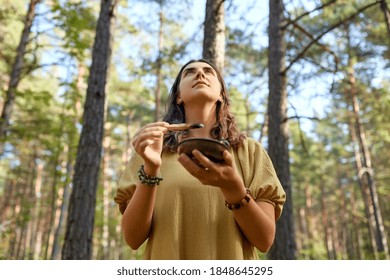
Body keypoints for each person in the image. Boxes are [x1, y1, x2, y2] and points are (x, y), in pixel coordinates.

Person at [114, 59, 286, 260]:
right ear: (178, 96)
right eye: (189, 72)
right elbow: (133, 239)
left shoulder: (249, 151)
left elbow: (264, 240)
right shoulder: (151, 150)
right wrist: (151, 169)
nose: (200, 75)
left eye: (208, 72)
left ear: (221, 94)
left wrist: (234, 189)